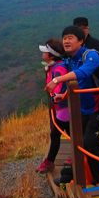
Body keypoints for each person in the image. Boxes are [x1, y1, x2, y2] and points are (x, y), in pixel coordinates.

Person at [45, 25, 99, 186]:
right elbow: (77, 82)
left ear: (81, 41)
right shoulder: (72, 60)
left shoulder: (91, 55)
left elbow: (84, 73)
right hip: (83, 108)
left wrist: (56, 80)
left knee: (87, 143)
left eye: (70, 37)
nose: (66, 41)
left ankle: (94, 177)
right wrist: (63, 95)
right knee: (90, 143)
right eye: (65, 37)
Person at [36, 39, 69, 173]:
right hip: (62, 107)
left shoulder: (58, 68)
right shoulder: (54, 66)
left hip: (64, 107)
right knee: (71, 132)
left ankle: (50, 162)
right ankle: (77, 155)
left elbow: (58, 86)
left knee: (56, 134)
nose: (43, 53)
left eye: (46, 51)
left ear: (52, 55)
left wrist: (54, 94)